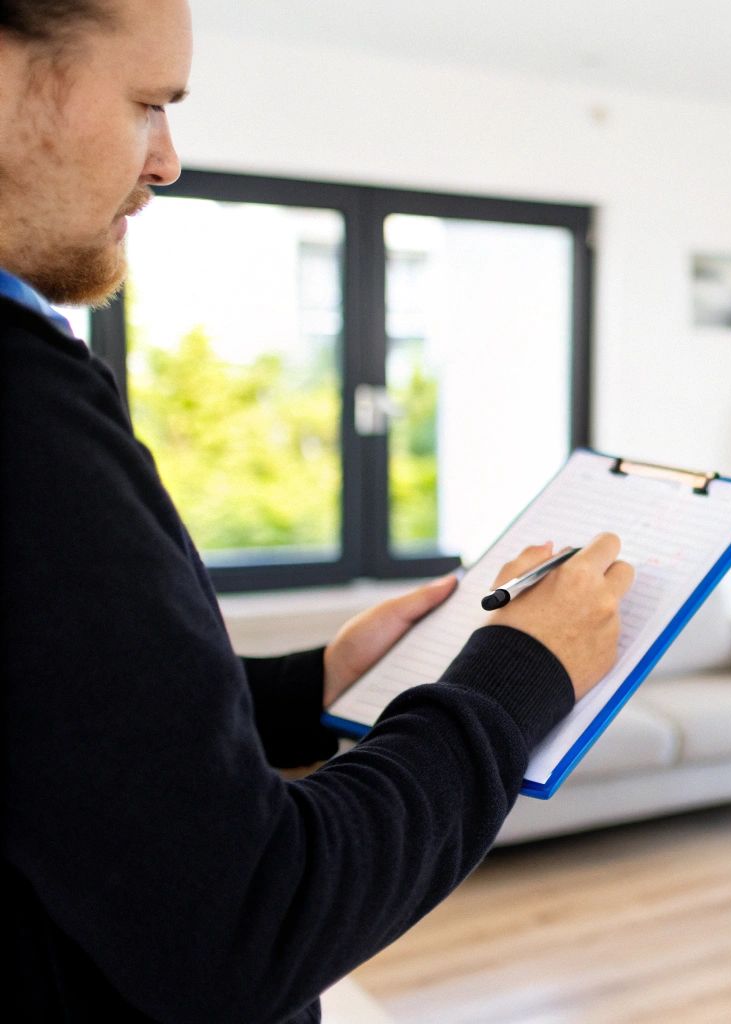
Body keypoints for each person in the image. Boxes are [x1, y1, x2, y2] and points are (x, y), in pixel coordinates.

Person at [0, 2, 634, 1020]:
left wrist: (316, 683)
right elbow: (251, 920)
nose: (165, 161)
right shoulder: (25, 421)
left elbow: (65, 731)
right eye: (147, 104)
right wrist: (521, 675)